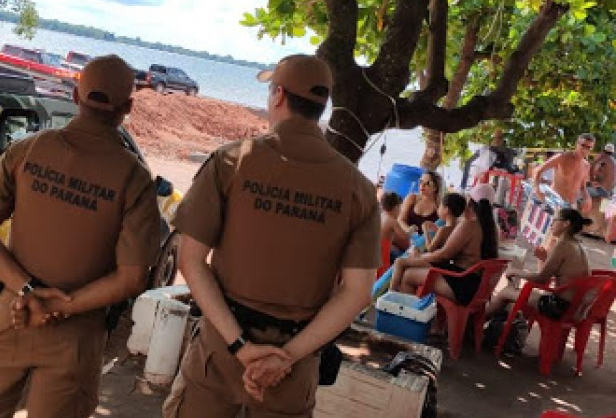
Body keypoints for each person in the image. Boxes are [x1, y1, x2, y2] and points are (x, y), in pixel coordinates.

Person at [163, 54, 379, 418]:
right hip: (292, 368)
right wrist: (286, 358)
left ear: (278, 96)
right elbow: (357, 292)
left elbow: (190, 261)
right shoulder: (358, 189)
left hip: (219, 351)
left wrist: (239, 346)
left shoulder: (231, 161)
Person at [0, 55, 161, 418]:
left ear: (77, 96)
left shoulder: (27, 150)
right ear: (127, 107)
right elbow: (133, 276)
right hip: (76, 333)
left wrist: (28, 290)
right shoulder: (134, 177)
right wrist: (62, 306)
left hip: (12, 313)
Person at [389, 183, 499, 306]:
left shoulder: (469, 225)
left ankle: (403, 315)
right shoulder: (492, 229)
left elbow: (444, 255)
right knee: (411, 269)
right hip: (476, 286)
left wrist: (420, 257)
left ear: (470, 203)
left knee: (408, 276)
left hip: (463, 285)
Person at [485, 208, 591, 319]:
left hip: (560, 307)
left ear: (566, 224)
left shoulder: (563, 244)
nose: (551, 224)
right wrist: (545, 258)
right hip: (578, 308)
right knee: (524, 299)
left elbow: (541, 279)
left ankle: (476, 326)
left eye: (555, 220)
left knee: (505, 292)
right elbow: (562, 271)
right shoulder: (578, 245)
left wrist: (515, 272)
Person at [531, 133, 595, 213]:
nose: (585, 149)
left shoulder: (586, 166)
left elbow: (582, 186)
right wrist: (537, 189)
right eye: (583, 145)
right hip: (554, 201)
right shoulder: (562, 157)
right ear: (577, 144)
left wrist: (587, 197)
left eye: (589, 147)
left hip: (571, 205)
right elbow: (538, 170)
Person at [396, 171, 441, 255]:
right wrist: (408, 229)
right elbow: (401, 219)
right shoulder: (412, 198)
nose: (422, 185)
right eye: (421, 181)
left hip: (424, 245)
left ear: (435, 188)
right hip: (406, 240)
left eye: (427, 183)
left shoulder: (439, 206)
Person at [380, 192, 405, 265]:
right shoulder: (392, 221)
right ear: (396, 207)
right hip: (384, 248)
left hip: (377, 246)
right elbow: (404, 236)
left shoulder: (381, 216)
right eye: (400, 207)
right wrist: (411, 230)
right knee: (384, 264)